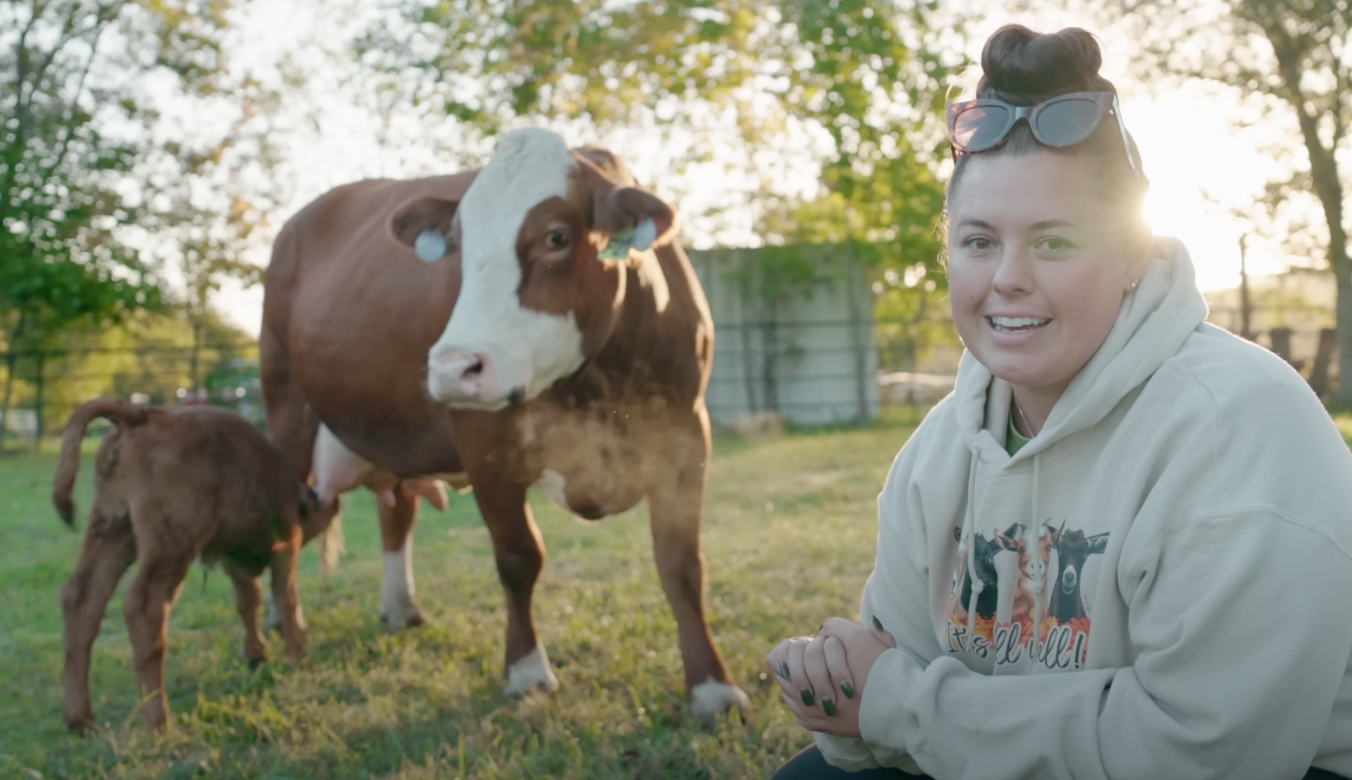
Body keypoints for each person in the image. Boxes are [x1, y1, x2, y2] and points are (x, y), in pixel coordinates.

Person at [765, 22, 1352, 780]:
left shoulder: (1237, 431)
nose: (1007, 277)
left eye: (1054, 242)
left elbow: (1206, 757)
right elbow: (885, 696)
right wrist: (839, 693)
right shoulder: (938, 453)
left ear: (1132, 253)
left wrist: (903, 706)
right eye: (979, 242)